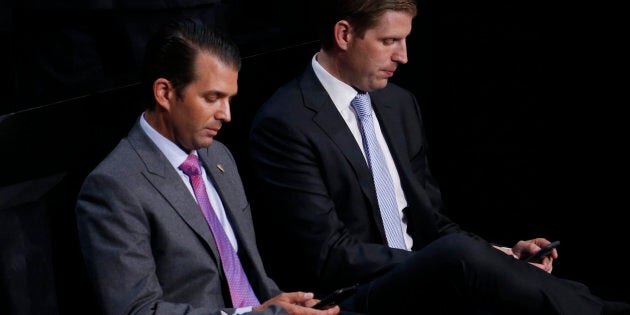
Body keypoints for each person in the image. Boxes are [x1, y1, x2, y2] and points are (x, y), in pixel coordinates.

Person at [246, 1, 630, 314]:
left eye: (406, 40)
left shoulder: (398, 104)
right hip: (349, 297)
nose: (404, 56)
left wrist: (500, 255)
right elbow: (329, 255)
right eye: (390, 41)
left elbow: (433, 224)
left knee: (524, 279)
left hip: (431, 276)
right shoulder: (285, 122)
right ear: (344, 34)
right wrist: (444, 261)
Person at [75, 18, 339, 315]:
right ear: (165, 93)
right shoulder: (114, 187)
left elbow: (247, 279)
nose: (226, 115)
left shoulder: (219, 156)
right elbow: (138, 311)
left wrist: (283, 303)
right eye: (212, 98)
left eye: (229, 99)